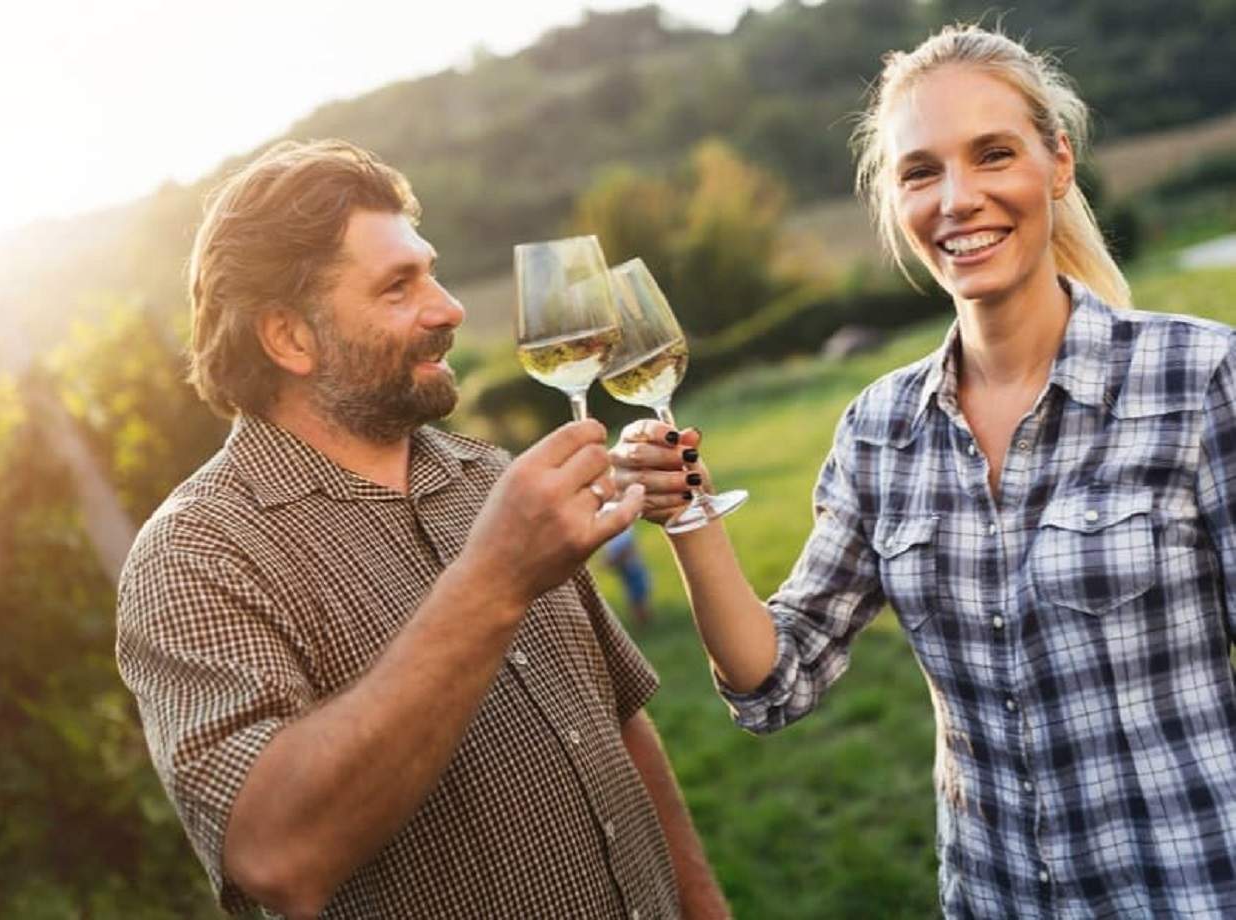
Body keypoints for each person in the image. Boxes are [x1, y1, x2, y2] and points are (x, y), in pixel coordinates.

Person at [612, 23, 1236, 919]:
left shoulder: (1199, 379)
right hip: (994, 897)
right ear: (893, 201)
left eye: (993, 155)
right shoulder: (879, 430)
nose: (959, 198)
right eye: (921, 171)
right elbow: (774, 681)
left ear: (1057, 164)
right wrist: (687, 515)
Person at [115, 139, 729, 919]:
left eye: (430, 271)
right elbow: (276, 855)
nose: (448, 307)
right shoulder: (196, 555)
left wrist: (704, 905)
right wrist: (494, 582)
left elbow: (620, 724)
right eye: (398, 288)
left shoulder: (489, 477)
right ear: (289, 338)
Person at [603, 526, 654, 628]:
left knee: (637, 597)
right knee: (634, 597)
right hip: (626, 569)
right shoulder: (614, 533)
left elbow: (627, 550)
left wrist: (611, 562)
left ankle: (644, 624)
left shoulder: (623, 533)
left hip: (632, 568)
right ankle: (642, 624)